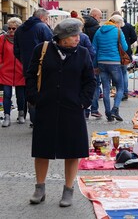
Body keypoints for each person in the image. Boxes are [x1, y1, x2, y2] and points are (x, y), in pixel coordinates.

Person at [25, 18, 96, 207]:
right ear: (62, 38)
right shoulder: (42, 49)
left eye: (78, 35)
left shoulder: (82, 53)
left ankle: (68, 190)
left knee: (72, 151)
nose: (78, 38)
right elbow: (31, 75)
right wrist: (34, 98)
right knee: (42, 149)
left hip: (72, 108)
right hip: (46, 107)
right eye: (74, 35)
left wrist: (83, 102)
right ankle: (39, 188)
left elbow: (90, 80)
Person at [14, 8, 53, 124]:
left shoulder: (20, 29)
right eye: (46, 19)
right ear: (41, 18)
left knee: (31, 91)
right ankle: (41, 120)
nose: (47, 21)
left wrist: (24, 61)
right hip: (43, 66)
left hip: (27, 66)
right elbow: (52, 45)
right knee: (44, 91)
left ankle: (33, 120)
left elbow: (16, 50)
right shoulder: (42, 27)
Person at [92, 14, 128, 122]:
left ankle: (108, 113)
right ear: (117, 23)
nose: (120, 27)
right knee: (120, 87)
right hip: (115, 62)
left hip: (101, 62)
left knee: (106, 89)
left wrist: (95, 66)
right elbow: (125, 47)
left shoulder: (98, 31)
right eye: (120, 25)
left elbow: (94, 49)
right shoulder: (118, 31)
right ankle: (115, 109)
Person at [0, 17, 25, 127]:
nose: (10, 30)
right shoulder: (2, 39)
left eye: (13, 28)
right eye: (9, 28)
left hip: (20, 71)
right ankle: (7, 116)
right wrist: (1, 65)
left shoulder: (23, 39)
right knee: (7, 94)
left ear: (18, 29)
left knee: (21, 95)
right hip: (6, 71)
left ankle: (21, 113)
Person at [111, 11, 137, 101]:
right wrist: (128, 43)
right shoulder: (128, 26)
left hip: (116, 53)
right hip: (126, 52)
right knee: (124, 72)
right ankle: (125, 92)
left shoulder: (112, 27)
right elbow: (134, 37)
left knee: (118, 74)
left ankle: (120, 92)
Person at [83, 8, 103, 118]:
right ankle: (94, 109)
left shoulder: (81, 26)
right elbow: (97, 46)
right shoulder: (97, 28)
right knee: (95, 84)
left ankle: (85, 110)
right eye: (100, 17)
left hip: (81, 59)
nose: (100, 19)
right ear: (95, 16)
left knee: (83, 84)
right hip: (93, 59)